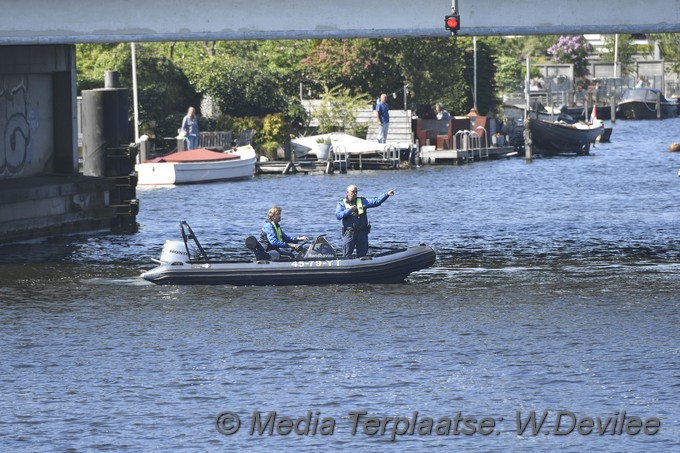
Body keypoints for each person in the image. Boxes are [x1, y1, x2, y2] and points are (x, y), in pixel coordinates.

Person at [335, 184, 395, 258]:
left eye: (356, 192)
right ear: (347, 192)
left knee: (362, 256)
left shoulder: (363, 201)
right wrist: (349, 210)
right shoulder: (341, 204)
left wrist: (386, 194)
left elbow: (376, 202)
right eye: (353, 192)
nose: (355, 194)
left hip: (362, 233)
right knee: (346, 255)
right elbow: (338, 216)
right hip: (349, 233)